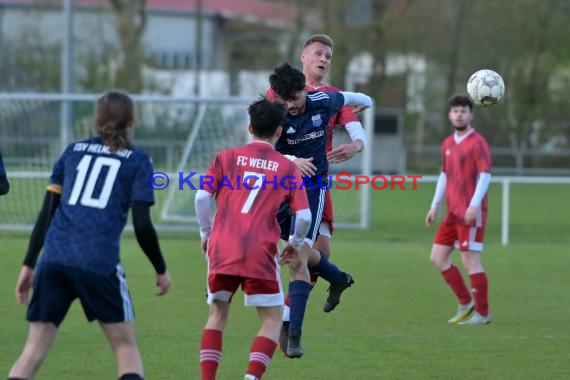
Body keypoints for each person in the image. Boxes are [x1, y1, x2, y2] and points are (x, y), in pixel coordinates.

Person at [8, 91, 172, 380]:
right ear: (132, 121)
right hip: (98, 262)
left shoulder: (72, 152)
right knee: (124, 347)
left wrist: (29, 264)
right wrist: (160, 269)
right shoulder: (138, 161)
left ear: (96, 121)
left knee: (32, 352)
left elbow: (46, 214)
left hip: (54, 259)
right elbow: (143, 226)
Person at [195, 99, 311, 380]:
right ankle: (251, 378)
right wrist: (294, 244)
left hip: (222, 246)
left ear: (249, 127)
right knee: (271, 319)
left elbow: (201, 197)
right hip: (261, 249)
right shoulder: (287, 167)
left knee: (217, 315)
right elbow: (304, 216)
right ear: (279, 132)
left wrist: (206, 234)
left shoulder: (225, 157)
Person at [266, 34, 368, 348]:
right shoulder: (277, 93)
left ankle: (289, 320)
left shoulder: (331, 96)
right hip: (283, 183)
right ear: (303, 57)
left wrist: (356, 145)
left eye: (328, 56)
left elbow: (354, 122)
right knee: (304, 254)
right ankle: (334, 280)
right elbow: (262, 139)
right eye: (318, 54)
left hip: (315, 183)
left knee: (315, 251)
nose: (324, 60)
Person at [425, 94, 492, 325]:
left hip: (471, 213)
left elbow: (485, 174)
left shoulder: (478, 142)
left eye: (463, 111)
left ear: (471, 115)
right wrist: (435, 205)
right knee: (437, 256)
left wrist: (474, 204)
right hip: (452, 213)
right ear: (449, 115)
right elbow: (444, 175)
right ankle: (466, 301)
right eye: (455, 111)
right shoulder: (447, 144)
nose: (459, 114)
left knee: (470, 261)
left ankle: (483, 314)